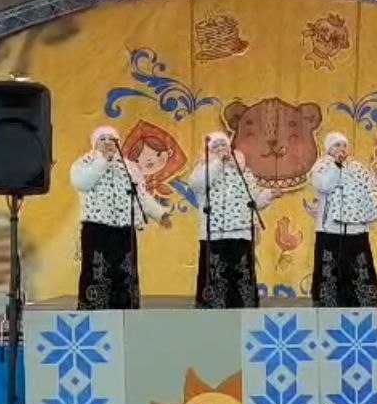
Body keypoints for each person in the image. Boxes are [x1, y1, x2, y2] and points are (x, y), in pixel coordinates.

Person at [70, 125, 170, 311]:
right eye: (102, 139)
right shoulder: (85, 162)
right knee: (98, 271)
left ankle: (126, 312)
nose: (107, 142)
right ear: (95, 143)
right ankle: (95, 312)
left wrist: (159, 213)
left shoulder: (129, 166)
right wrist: (103, 161)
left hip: (124, 228)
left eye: (112, 139)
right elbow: (82, 183)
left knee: (124, 272)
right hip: (97, 227)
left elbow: (140, 195)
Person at [188, 132, 281, 309]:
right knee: (217, 276)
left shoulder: (243, 172)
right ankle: (214, 313)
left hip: (241, 233)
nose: (221, 149)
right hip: (215, 234)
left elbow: (253, 201)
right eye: (215, 147)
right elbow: (196, 184)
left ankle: (243, 311)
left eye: (223, 145)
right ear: (209, 151)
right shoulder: (204, 169)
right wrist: (217, 163)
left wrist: (269, 194)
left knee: (240, 276)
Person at [310, 132, 377, 308]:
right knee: (331, 267)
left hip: (356, 228)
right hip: (330, 228)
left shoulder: (357, 167)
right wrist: (336, 165)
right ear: (329, 148)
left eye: (344, 145)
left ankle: (363, 301)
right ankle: (328, 302)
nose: (342, 149)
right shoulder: (321, 166)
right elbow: (325, 186)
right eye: (337, 145)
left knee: (359, 266)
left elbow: (371, 190)